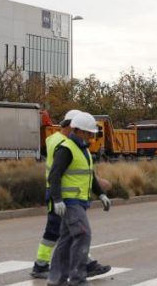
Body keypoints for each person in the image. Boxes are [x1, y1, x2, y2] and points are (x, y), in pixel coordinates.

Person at [32, 110, 111, 279]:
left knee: (67, 237)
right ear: (75, 128)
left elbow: (86, 173)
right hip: (65, 197)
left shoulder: (80, 147)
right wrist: (58, 198)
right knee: (77, 234)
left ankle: (56, 277)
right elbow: (56, 173)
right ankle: (76, 274)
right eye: (89, 133)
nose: (92, 137)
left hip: (75, 198)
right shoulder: (65, 145)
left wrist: (101, 194)